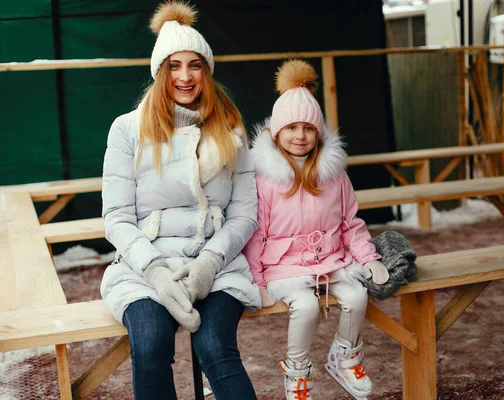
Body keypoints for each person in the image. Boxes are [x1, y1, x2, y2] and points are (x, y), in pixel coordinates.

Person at [100, 2, 259, 399]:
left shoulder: (229, 125)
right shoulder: (127, 129)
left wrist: (209, 263)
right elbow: (117, 216)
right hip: (145, 265)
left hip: (214, 262)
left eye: (195, 65)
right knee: (151, 344)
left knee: (214, 347)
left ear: (206, 70)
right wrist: (154, 272)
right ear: (159, 71)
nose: (185, 76)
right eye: (174, 65)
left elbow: (244, 213)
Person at [243, 59, 390, 400]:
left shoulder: (334, 174)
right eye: (291, 127)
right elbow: (255, 233)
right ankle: (296, 374)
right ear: (277, 132)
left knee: (356, 295)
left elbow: (349, 222)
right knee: (306, 307)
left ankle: (344, 355)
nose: (300, 135)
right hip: (283, 267)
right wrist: (258, 280)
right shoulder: (264, 178)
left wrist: (367, 257)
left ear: (319, 133)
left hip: (329, 259)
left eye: (308, 128)